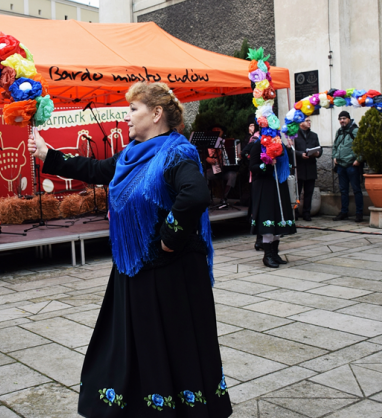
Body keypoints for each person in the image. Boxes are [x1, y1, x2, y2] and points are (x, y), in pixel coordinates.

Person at [29, 83, 232, 417]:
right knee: (139, 345)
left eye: (133, 109)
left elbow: (195, 196)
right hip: (136, 269)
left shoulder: (177, 152)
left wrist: (169, 236)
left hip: (171, 273)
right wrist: (48, 155)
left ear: (156, 114)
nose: (126, 116)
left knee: (170, 345)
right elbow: (95, 170)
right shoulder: (131, 153)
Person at [249, 139, 296, 268]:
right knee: (268, 217)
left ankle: (274, 253)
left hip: (279, 184)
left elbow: (289, 163)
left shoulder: (279, 144)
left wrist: (287, 149)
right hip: (265, 186)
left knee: (278, 217)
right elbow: (252, 167)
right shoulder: (258, 145)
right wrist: (266, 164)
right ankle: (267, 255)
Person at [332, 111, 363, 222]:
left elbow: (361, 146)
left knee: (356, 190)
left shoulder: (355, 130)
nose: (342, 121)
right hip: (340, 165)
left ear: (349, 119)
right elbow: (335, 146)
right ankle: (344, 212)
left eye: (344, 118)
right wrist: (334, 156)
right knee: (343, 190)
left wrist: (359, 160)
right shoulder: (339, 131)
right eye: (340, 119)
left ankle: (359, 213)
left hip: (352, 165)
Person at [294, 117, 321, 221]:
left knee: (309, 192)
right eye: (307, 120)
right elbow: (292, 151)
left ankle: (307, 212)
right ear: (301, 123)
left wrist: (318, 153)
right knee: (297, 192)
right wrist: (301, 154)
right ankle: (295, 212)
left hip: (310, 167)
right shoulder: (295, 135)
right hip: (299, 168)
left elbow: (319, 148)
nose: (309, 122)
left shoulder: (314, 135)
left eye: (310, 120)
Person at [205, 124, 237, 208]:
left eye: (218, 130)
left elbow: (233, 156)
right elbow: (200, 154)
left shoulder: (227, 143)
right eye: (214, 130)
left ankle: (224, 198)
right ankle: (206, 198)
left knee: (233, 175)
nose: (216, 132)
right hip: (212, 170)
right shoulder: (206, 143)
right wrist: (206, 158)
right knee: (203, 175)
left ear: (222, 132)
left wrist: (238, 156)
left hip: (225, 170)